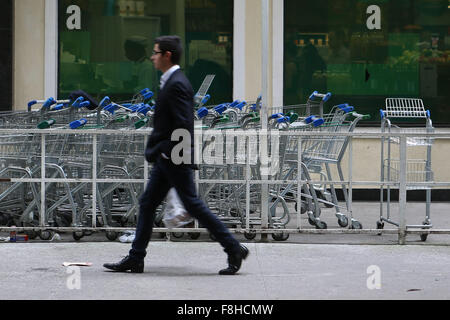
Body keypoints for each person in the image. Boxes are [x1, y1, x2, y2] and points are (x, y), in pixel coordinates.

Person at [103, 35, 249, 275]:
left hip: (173, 157)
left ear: (167, 55)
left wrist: (171, 154)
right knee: (148, 203)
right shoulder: (171, 81)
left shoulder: (177, 83)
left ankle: (233, 247)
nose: (152, 56)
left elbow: (183, 124)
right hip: (168, 156)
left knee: (193, 204)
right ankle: (136, 257)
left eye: (156, 52)